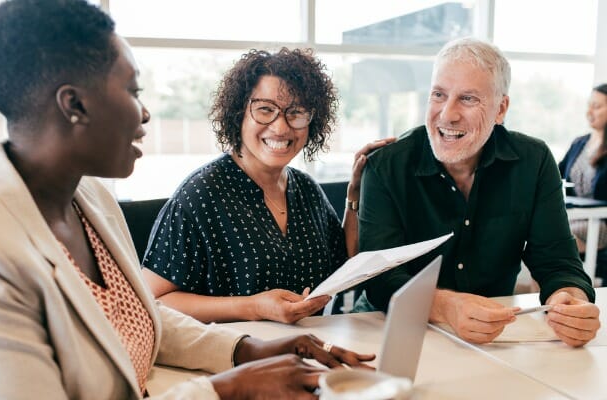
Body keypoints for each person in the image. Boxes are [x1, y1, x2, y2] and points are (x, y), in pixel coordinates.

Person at [0, 1, 376, 399]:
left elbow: (140, 314)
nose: (144, 113)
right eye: (131, 89)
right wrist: (225, 389)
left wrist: (250, 351)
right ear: (74, 104)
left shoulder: (91, 198)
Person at [353, 37, 600, 347]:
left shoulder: (534, 161)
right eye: (439, 94)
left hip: (491, 331)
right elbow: (380, 277)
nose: (447, 114)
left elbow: (558, 262)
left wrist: (569, 300)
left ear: (501, 109)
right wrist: (445, 306)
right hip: (390, 323)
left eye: (468, 99)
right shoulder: (386, 165)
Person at [142, 47, 393, 324]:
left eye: (296, 113)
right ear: (239, 114)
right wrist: (253, 307)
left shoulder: (306, 189)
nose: (281, 128)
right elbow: (154, 300)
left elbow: (345, 262)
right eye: (265, 110)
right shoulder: (200, 195)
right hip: (232, 356)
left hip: (308, 349)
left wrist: (355, 193)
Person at [559, 84, 607, 257]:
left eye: (597, 106)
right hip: (575, 216)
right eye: (589, 105)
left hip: (601, 222)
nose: (589, 112)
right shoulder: (580, 143)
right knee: (539, 238)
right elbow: (555, 175)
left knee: (553, 242)